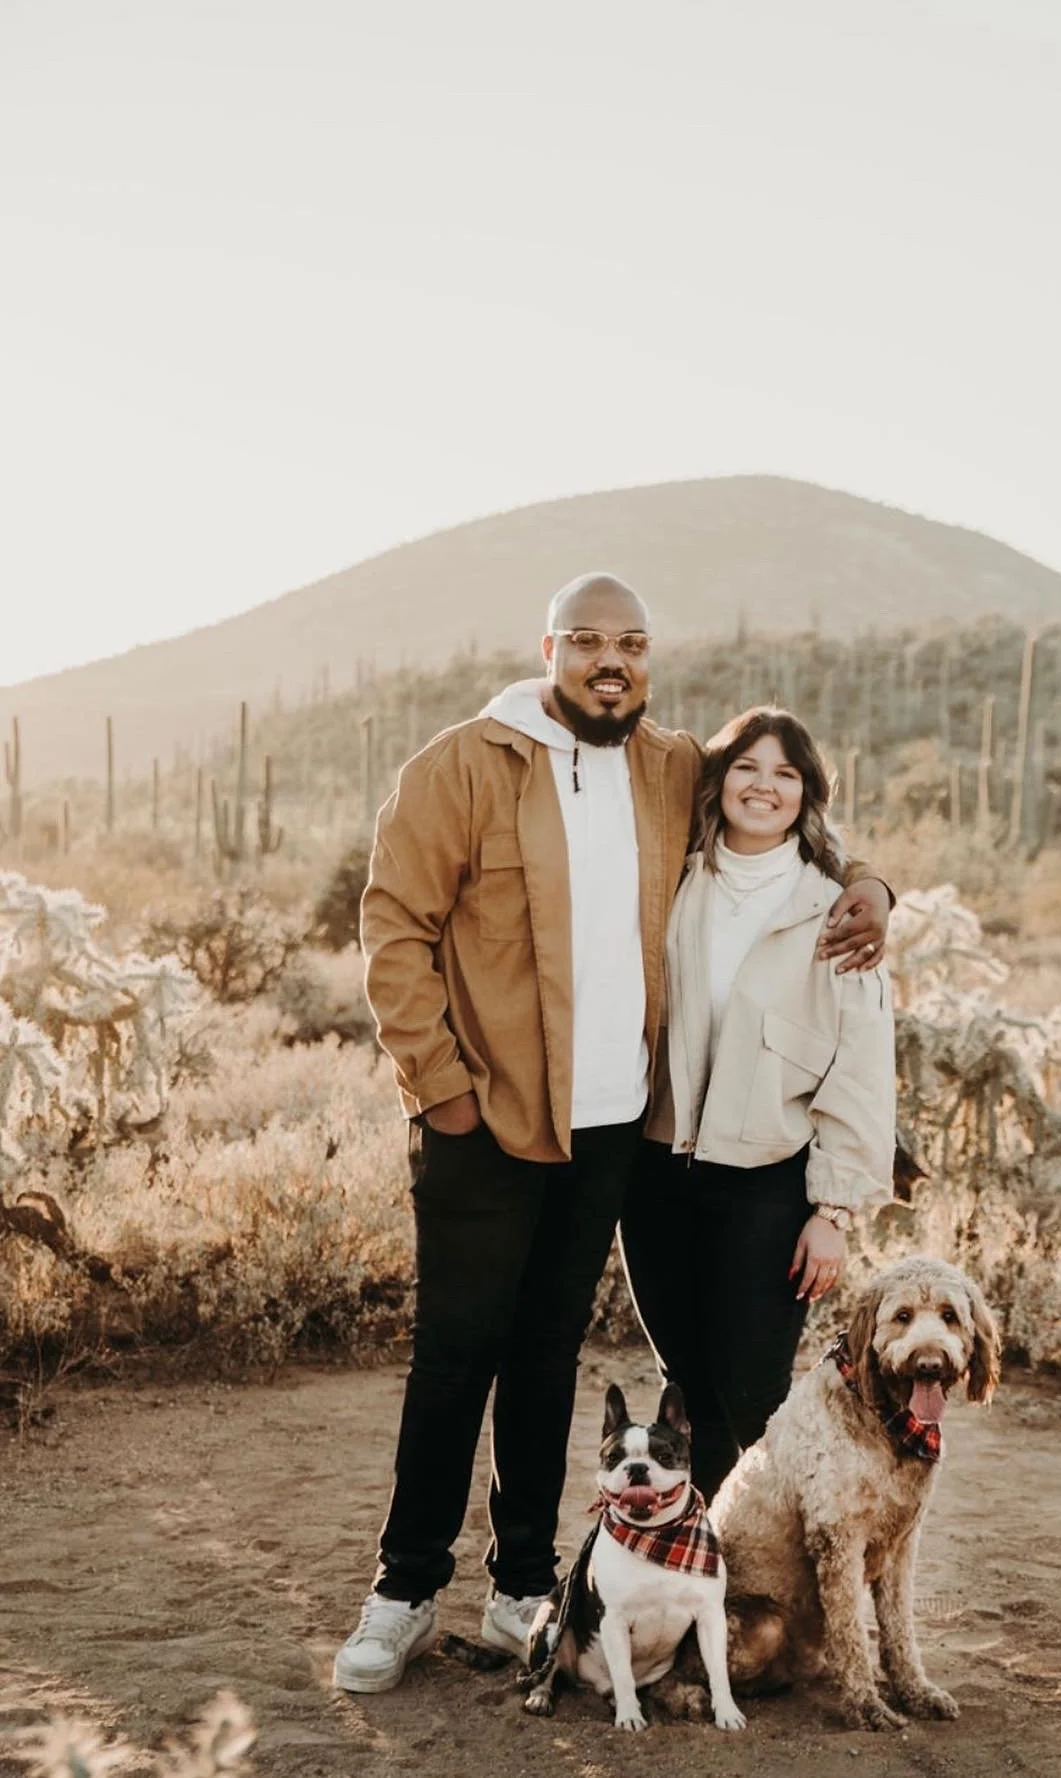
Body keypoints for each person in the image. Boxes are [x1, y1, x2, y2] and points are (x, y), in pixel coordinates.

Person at [332, 574, 893, 1693]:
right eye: (586, 640)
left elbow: (775, 807)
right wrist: (441, 1089)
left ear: (649, 658)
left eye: (630, 643)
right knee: (455, 1356)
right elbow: (392, 924)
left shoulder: (664, 765)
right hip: (482, 1119)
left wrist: (874, 885)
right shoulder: (463, 764)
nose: (610, 660)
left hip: (607, 1138)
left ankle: (522, 1586)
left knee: (546, 1356)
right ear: (548, 646)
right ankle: (402, 1589)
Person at [621, 707, 896, 1505]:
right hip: (659, 1170)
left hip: (768, 1184)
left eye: (785, 773)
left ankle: (793, 1561)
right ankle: (699, 1569)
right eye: (747, 767)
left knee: (750, 1394)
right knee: (686, 1383)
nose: (764, 786)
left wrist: (833, 1211)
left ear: (807, 792)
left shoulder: (836, 913)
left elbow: (861, 1073)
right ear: (720, 779)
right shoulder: (672, 885)